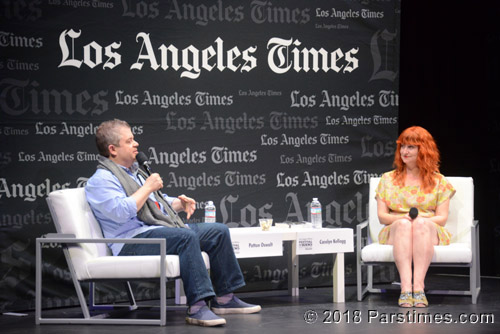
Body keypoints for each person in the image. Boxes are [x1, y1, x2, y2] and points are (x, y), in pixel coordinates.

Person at [85, 119, 261, 327]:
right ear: (112, 149)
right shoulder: (101, 180)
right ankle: (197, 307)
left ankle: (224, 299)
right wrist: (148, 188)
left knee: (218, 231)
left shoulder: (135, 173)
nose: (136, 144)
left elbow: (156, 202)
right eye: (129, 141)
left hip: (155, 230)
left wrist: (177, 203)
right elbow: (120, 212)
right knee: (186, 237)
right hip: (130, 242)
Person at [375, 126, 455, 308]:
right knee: (404, 224)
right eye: (402, 146)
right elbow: (382, 216)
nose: (404, 151)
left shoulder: (439, 181)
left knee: (419, 225)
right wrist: (404, 220)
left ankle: (418, 288)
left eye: (411, 147)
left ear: (423, 150)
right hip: (396, 230)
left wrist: (419, 221)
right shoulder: (387, 179)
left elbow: (442, 218)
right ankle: (405, 289)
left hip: (428, 230)